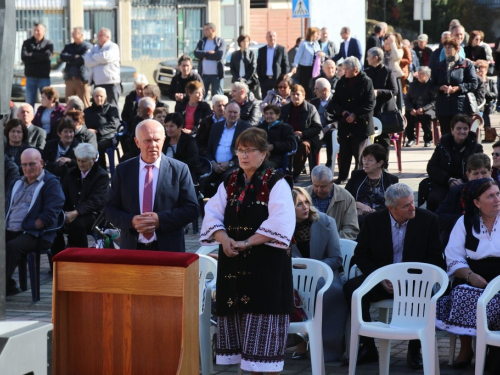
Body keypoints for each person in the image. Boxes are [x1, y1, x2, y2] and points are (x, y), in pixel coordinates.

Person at [199, 127, 295, 373]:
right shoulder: (230, 181)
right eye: (240, 150)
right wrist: (224, 239)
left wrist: (245, 242)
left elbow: (280, 223)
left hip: (266, 271)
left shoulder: (276, 181)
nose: (243, 156)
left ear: (263, 154)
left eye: (249, 150)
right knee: (244, 350)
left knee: (264, 354)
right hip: (234, 268)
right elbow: (212, 214)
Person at [343, 183, 446, 369]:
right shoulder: (373, 221)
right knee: (352, 289)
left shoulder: (428, 220)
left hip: (414, 282)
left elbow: (435, 258)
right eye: (406, 205)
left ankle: (415, 349)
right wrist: (381, 277)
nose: (412, 207)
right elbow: (361, 255)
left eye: (412, 202)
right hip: (382, 280)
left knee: (426, 293)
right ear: (391, 208)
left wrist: (408, 280)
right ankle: (368, 346)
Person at [105, 119, 199, 251]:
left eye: (157, 140)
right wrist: (131, 221)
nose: (153, 145)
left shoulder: (179, 169)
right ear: (137, 142)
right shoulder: (123, 170)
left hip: (169, 249)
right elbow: (110, 209)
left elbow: (192, 209)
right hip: (132, 249)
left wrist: (160, 220)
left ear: (164, 140)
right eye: (148, 140)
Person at [436, 179, 500, 369]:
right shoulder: (464, 222)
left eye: (498, 194)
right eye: (490, 196)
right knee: (463, 293)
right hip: (473, 275)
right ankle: (466, 348)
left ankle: (493, 344)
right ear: (477, 203)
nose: (497, 199)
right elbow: (453, 256)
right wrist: (470, 275)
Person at [290, 187, 347, 362]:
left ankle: (328, 347)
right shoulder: (281, 227)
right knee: (284, 290)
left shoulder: (326, 221)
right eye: (299, 204)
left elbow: (336, 258)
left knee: (328, 293)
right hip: (292, 277)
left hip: (325, 276)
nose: (305, 207)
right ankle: (299, 339)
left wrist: (313, 269)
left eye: (307, 202)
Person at [5, 148, 64, 296]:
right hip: (11, 230)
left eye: (32, 164)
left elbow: (50, 214)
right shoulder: (16, 182)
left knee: (12, 247)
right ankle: (9, 285)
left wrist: (31, 226)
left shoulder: (50, 183)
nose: (27, 168)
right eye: (24, 165)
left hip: (36, 234)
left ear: (42, 163)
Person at [51, 143, 109, 256]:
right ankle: (58, 258)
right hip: (72, 210)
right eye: (78, 160)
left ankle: (80, 257)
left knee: (76, 224)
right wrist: (63, 212)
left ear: (92, 160)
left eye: (84, 161)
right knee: (53, 222)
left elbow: (96, 200)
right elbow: (63, 194)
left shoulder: (101, 175)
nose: (80, 164)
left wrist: (76, 212)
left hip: (94, 214)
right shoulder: (72, 173)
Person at [326, 56, 376, 185]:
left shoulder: (366, 81)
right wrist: (342, 112)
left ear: (355, 69)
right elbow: (334, 102)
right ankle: (342, 176)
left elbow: (370, 103)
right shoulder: (342, 82)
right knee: (344, 153)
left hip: (360, 125)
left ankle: (358, 178)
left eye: (346, 69)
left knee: (359, 154)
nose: (344, 71)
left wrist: (355, 114)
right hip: (344, 124)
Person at [424, 114, 483, 212]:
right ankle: (436, 225)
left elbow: (479, 169)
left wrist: (462, 180)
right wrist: (448, 179)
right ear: (452, 130)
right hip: (445, 183)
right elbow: (432, 167)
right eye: (458, 128)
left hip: (467, 183)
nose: (462, 131)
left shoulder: (476, 148)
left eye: (465, 128)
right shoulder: (442, 145)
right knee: (434, 198)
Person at [436, 153, 492, 247]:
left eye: (484, 172)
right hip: (461, 241)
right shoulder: (456, 192)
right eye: (475, 173)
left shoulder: (497, 192)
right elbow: (439, 217)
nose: (480, 178)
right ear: (468, 175)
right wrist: (467, 219)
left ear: (491, 172)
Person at [431, 37, 478, 135]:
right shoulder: (439, 66)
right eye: (446, 47)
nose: (447, 50)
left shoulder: (466, 64)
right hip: (443, 105)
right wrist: (440, 88)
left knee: (461, 134)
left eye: (450, 47)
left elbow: (474, 83)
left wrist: (458, 88)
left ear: (457, 49)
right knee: (446, 134)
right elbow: (432, 86)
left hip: (460, 105)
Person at [204, 102, 252, 196]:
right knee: (203, 180)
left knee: (226, 180)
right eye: (230, 112)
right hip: (215, 165)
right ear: (224, 113)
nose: (232, 115)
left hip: (235, 165)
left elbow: (247, 152)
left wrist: (230, 163)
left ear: (239, 114)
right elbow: (209, 149)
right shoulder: (216, 127)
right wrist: (212, 163)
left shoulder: (246, 128)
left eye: (235, 112)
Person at [345, 144, 399, 227]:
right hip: (357, 219)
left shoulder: (391, 180)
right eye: (364, 159)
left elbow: (394, 204)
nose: (365, 163)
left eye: (370, 160)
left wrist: (372, 211)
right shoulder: (356, 176)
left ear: (380, 163)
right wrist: (357, 204)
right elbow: (345, 196)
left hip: (381, 220)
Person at [279, 84, 322, 182]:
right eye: (293, 94)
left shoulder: (311, 109)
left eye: (298, 94)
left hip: (307, 138)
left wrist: (303, 133)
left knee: (303, 146)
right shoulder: (285, 109)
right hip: (289, 137)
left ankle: (295, 173)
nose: (295, 97)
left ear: (303, 96)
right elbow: (280, 124)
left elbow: (317, 127)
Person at [305, 165, 359, 239]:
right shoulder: (302, 195)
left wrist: (332, 240)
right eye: (316, 185)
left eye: (323, 186)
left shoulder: (347, 198)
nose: (319, 190)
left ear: (332, 182)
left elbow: (351, 229)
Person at [365, 47, 399, 159]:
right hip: (370, 109)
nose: (366, 58)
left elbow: (394, 91)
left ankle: (384, 165)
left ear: (375, 58)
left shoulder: (388, 71)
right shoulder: (366, 72)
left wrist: (378, 92)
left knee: (384, 138)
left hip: (384, 110)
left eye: (368, 56)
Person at [83, 87, 121, 169]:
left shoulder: (112, 109)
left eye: (101, 96)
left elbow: (114, 125)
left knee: (98, 146)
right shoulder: (87, 111)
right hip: (91, 136)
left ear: (105, 97)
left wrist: (97, 131)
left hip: (108, 137)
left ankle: (101, 170)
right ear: (93, 97)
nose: (99, 98)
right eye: (96, 96)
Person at [84, 27, 121, 106]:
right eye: (98, 35)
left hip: (111, 83)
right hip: (98, 82)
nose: (98, 37)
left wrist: (93, 57)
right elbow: (87, 61)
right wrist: (99, 60)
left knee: (112, 106)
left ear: (107, 37)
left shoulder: (113, 46)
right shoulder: (95, 48)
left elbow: (105, 57)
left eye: (101, 35)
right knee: (98, 107)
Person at [21, 23, 53, 108]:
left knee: (47, 101)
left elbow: (47, 56)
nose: (36, 32)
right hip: (30, 76)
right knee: (29, 103)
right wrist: (40, 56)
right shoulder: (27, 43)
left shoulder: (48, 44)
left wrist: (32, 54)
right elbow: (24, 57)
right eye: (35, 30)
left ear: (44, 31)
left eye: (38, 30)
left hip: (44, 77)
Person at [163, 112, 200, 183]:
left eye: (171, 126)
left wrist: (174, 167)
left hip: (183, 175)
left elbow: (193, 160)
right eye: (166, 126)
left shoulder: (189, 141)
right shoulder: (164, 140)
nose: (168, 129)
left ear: (180, 127)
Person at [404, 66, 436, 147]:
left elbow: (434, 101)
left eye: (421, 74)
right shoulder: (413, 85)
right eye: (418, 73)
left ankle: (428, 139)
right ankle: (411, 139)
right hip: (415, 107)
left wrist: (424, 109)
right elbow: (407, 99)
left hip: (429, 108)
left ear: (427, 75)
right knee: (408, 116)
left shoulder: (432, 85)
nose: (419, 75)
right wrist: (411, 109)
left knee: (426, 116)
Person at [61, 26, 93, 108]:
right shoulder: (69, 46)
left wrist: (69, 59)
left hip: (82, 80)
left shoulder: (87, 46)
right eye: (72, 33)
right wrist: (75, 56)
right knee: (69, 105)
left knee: (84, 104)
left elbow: (83, 59)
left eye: (75, 33)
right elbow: (62, 56)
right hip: (70, 79)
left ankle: (86, 120)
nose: (73, 35)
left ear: (81, 35)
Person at [256, 104, 296, 169]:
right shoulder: (259, 128)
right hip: (259, 156)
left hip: (276, 158)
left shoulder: (286, 128)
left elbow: (291, 145)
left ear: (278, 115)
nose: (268, 116)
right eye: (266, 114)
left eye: (271, 113)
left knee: (262, 165)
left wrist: (273, 146)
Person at [194, 22, 226, 100]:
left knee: (218, 97)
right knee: (201, 96)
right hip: (203, 74)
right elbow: (196, 53)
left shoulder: (220, 41)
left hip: (216, 75)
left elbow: (219, 55)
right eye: (204, 29)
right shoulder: (202, 41)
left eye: (207, 29)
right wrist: (208, 53)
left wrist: (204, 56)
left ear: (213, 30)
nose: (205, 31)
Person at [291, 27, 324, 99]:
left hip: (314, 68)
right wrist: (295, 66)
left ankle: (313, 98)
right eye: (316, 34)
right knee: (305, 85)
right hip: (305, 68)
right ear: (312, 34)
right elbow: (298, 55)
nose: (317, 36)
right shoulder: (304, 44)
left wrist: (321, 54)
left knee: (313, 85)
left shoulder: (316, 43)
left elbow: (319, 52)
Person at [257, 30, 291, 98]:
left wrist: (283, 79)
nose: (272, 38)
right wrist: (261, 80)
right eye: (270, 36)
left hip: (278, 80)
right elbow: (259, 66)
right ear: (266, 38)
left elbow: (286, 65)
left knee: (278, 99)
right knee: (265, 100)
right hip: (265, 80)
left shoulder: (281, 49)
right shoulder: (261, 50)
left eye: (274, 36)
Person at [310, 78, 335, 168]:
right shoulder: (314, 102)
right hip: (316, 128)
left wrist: (329, 126)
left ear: (325, 90)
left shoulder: (336, 100)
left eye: (317, 89)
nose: (314, 91)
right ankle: (313, 166)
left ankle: (329, 164)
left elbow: (340, 118)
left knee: (330, 134)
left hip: (331, 129)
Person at [474, 59, 497, 128]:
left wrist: (484, 91)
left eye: (482, 71)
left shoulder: (490, 81)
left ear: (486, 71)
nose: (480, 73)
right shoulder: (474, 82)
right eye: (478, 71)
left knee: (485, 114)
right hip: (477, 104)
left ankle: (488, 132)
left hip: (487, 103)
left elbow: (495, 94)